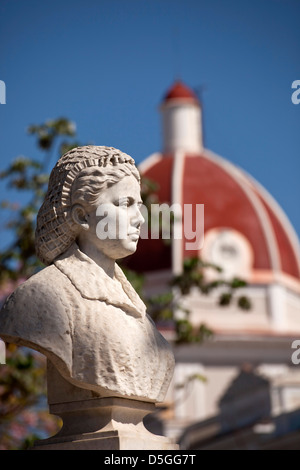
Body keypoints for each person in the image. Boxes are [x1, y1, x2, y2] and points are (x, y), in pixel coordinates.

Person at [0, 146, 175, 403]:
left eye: (139, 206)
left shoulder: (137, 309)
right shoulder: (41, 297)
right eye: (125, 204)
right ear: (82, 216)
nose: (139, 219)